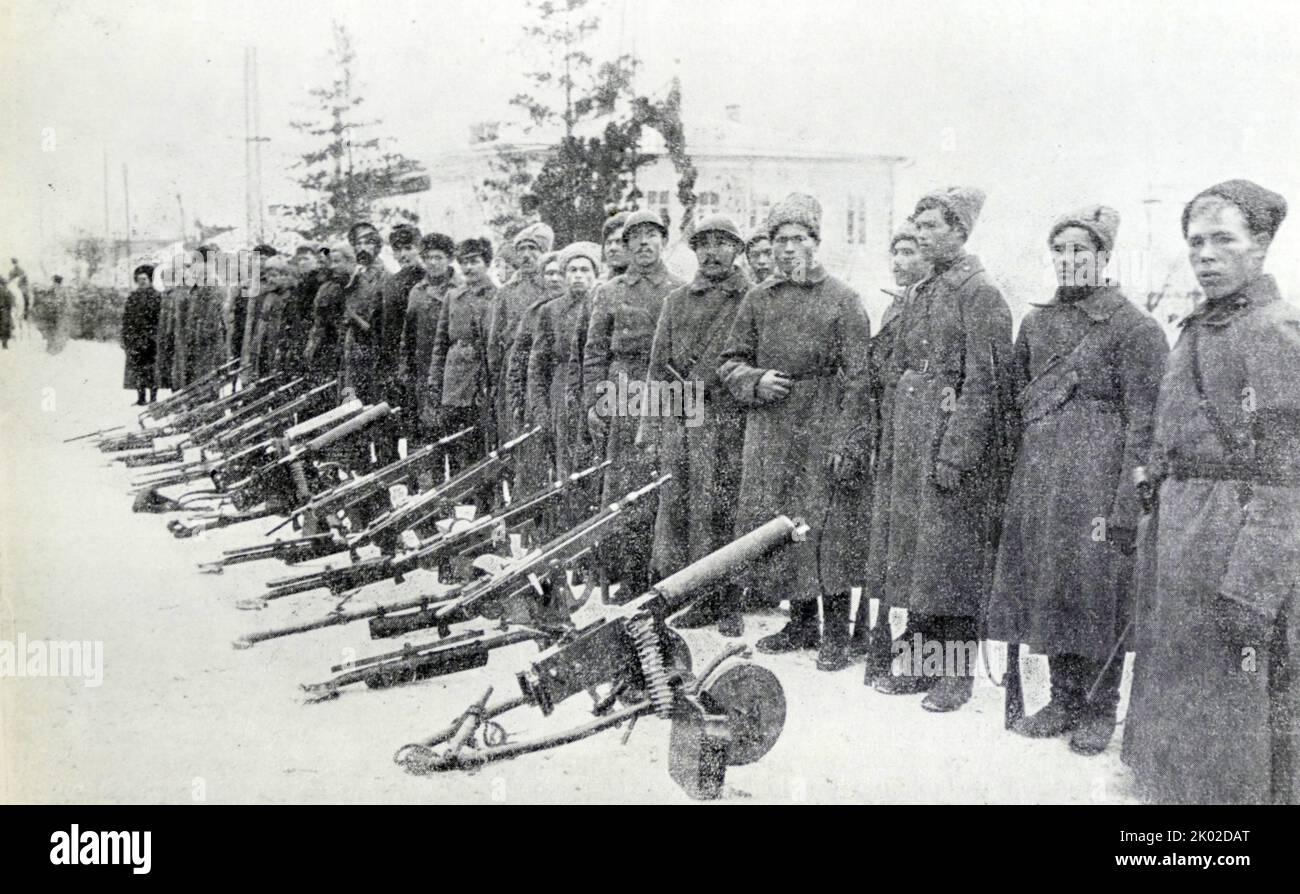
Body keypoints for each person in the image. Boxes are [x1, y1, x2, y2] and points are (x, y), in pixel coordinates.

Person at [1123, 179, 1299, 804]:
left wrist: (1253, 587)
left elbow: (1289, 480)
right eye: (1196, 241)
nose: (1205, 254)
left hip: (1235, 548)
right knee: (1180, 711)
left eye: (1224, 238)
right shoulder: (1199, 327)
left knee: (1233, 721)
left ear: (1262, 245)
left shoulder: (1276, 331)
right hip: (1182, 540)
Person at [987, 206, 1168, 754]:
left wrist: (1125, 503)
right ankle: (1064, 699)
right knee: (1052, 585)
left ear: (1104, 259)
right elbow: (1016, 405)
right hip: (1042, 477)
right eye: (1060, 252)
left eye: (1080, 253)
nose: (1068, 262)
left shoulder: (1136, 329)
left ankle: (1098, 707)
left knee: (1098, 593)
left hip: (1098, 477)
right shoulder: (1036, 323)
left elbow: (1146, 423)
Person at [866, 187, 1015, 710]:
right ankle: (925, 665)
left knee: (952, 562)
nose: (921, 235)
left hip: (950, 446)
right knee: (918, 559)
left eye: (931, 227)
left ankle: (956, 677)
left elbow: (985, 385)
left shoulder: (981, 293)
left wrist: (955, 452)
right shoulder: (923, 291)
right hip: (911, 439)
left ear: (959, 231)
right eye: (918, 225)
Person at [718, 193, 875, 670]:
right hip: (772, 428)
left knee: (826, 528)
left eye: (797, 240)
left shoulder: (843, 300)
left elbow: (859, 378)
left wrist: (848, 440)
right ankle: (801, 622)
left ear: (816, 243)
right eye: (779, 240)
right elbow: (729, 362)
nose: (787, 250)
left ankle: (835, 633)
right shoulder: (758, 298)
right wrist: (754, 380)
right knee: (782, 524)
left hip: (823, 425)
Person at [643, 215, 751, 637]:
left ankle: (730, 602)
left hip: (733, 415)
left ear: (738, 249)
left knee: (728, 507)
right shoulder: (678, 301)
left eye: (722, 243)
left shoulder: (752, 298)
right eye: (702, 245)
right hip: (685, 416)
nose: (711, 253)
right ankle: (695, 596)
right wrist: (650, 429)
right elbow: (657, 367)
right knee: (685, 507)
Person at [584, 210, 686, 599]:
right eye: (636, 237)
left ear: (663, 241)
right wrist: (595, 403)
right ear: (625, 246)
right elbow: (594, 354)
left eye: (652, 236)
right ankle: (627, 576)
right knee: (622, 486)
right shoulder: (609, 292)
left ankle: (660, 577)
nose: (644, 244)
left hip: (663, 390)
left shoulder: (679, 289)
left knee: (663, 483)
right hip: (621, 390)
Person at [849, 221, 933, 668]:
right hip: (887, 427)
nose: (899, 261)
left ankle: (912, 635)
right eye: (894, 252)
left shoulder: (931, 306)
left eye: (909, 252)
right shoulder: (895, 308)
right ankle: (876, 630)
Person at [527, 242, 603, 530]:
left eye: (585, 270)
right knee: (566, 470)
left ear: (596, 274)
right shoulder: (550, 312)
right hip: (562, 395)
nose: (578, 276)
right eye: (572, 270)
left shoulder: (603, 302)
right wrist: (541, 409)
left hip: (597, 392)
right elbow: (537, 366)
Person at [426, 237, 498, 483]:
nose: (469, 268)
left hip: (481, 379)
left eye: (474, 262)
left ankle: (482, 504)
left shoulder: (497, 296)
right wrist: (436, 380)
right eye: (464, 263)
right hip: (453, 380)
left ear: (486, 263)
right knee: (455, 444)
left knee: (480, 446)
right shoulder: (453, 297)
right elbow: (440, 343)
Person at [504, 246, 563, 502]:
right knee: (533, 467)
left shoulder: (585, 307)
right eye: (548, 273)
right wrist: (517, 399)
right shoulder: (534, 312)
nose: (554, 278)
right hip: (536, 397)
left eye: (559, 272)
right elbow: (517, 361)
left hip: (563, 392)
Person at [488, 223, 553, 446]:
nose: (526, 255)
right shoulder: (506, 292)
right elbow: (495, 340)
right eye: (522, 249)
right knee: (515, 431)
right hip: (513, 368)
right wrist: (497, 375)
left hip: (545, 368)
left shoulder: (552, 288)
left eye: (533, 249)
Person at [398, 233, 461, 447]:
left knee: (454, 436)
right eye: (428, 258)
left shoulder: (459, 290)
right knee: (426, 434)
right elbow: (408, 335)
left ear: (450, 259)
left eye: (438, 257)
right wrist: (405, 368)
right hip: (423, 373)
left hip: (453, 372)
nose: (433, 263)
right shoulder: (417, 291)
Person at [372, 223, 424, 462]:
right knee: (388, 425)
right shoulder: (391, 284)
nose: (403, 254)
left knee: (421, 430)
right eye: (398, 248)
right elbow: (382, 328)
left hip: (421, 363)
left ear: (419, 247)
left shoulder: (429, 281)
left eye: (409, 247)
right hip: (393, 365)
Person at [341, 222, 389, 404]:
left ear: (378, 246)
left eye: (368, 242)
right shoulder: (354, 276)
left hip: (373, 351)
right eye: (358, 243)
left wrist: (352, 316)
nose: (362, 248)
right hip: (351, 349)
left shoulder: (386, 277)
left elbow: (379, 325)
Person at [304, 242, 355, 387]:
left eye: (336, 261)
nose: (332, 266)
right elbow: (318, 324)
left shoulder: (358, 286)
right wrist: (312, 346)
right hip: (328, 354)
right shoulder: (326, 289)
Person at [121, 264, 161, 404]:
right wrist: (125, 337)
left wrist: (154, 334)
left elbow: (159, 319)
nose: (141, 282)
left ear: (150, 280)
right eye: (139, 280)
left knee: (151, 368)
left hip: (151, 339)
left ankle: (153, 397)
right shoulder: (133, 297)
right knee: (138, 368)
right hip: (135, 338)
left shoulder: (156, 296)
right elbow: (126, 319)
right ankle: (141, 397)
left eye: (144, 279)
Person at [1, 274, 13, 349]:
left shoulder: (7, 291)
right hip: (4, 311)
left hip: (5, 311)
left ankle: (5, 343)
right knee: (4, 327)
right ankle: (4, 344)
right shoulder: (5, 291)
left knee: (5, 326)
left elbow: (10, 301)